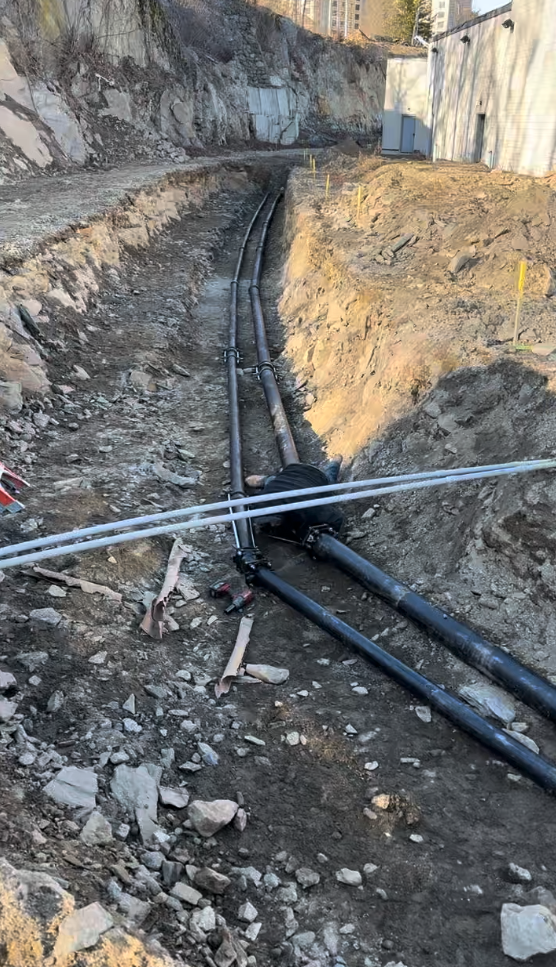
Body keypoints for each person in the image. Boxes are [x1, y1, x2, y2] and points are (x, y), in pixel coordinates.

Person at [245, 456, 344, 541]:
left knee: (329, 479)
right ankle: (263, 480)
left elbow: (338, 518)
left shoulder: (309, 508)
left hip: (316, 475)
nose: (272, 526)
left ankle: (335, 461)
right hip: (290, 473)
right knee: (262, 481)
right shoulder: (259, 502)